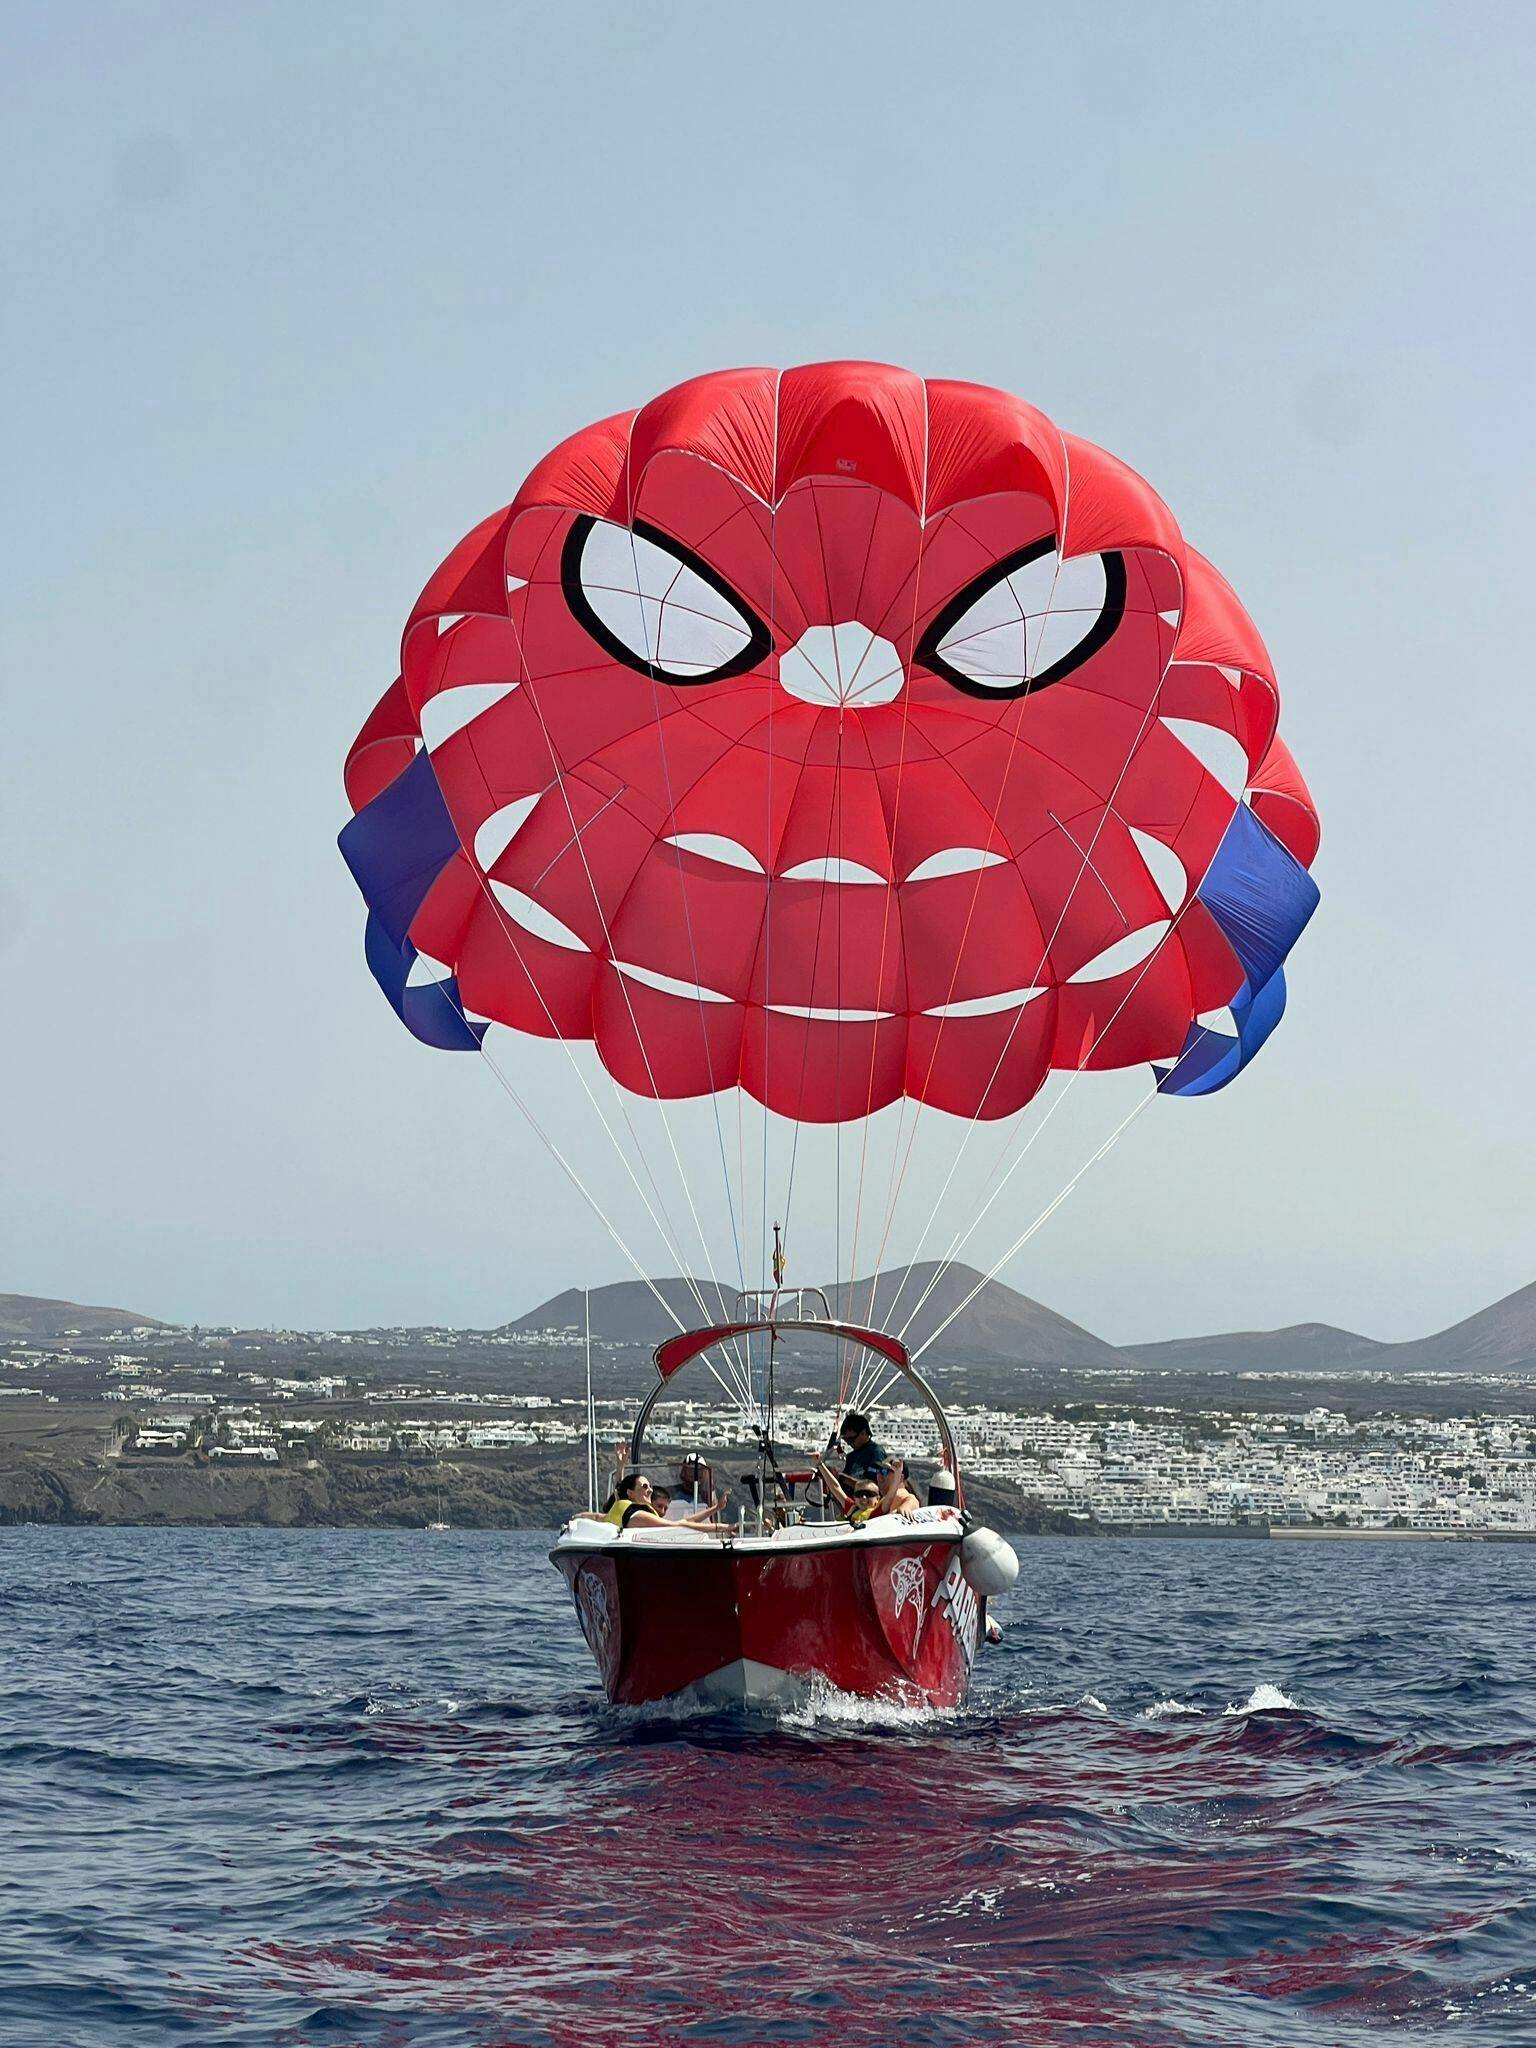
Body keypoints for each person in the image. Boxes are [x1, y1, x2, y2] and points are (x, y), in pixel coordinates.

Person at [570, 1470, 732, 1533]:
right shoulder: (636, 1514)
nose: (650, 1490)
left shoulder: (624, 1508)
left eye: (650, 1486)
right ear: (631, 1493)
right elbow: (679, 1526)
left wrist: (716, 1508)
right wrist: (721, 1527)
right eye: (645, 1487)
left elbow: (597, 1516)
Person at [836, 1412, 889, 1482]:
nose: (848, 1443)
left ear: (863, 1433)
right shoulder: (851, 1457)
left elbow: (874, 1485)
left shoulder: (876, 1453)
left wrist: (844, 1478)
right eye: (845, 1440)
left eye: (851, 1439)